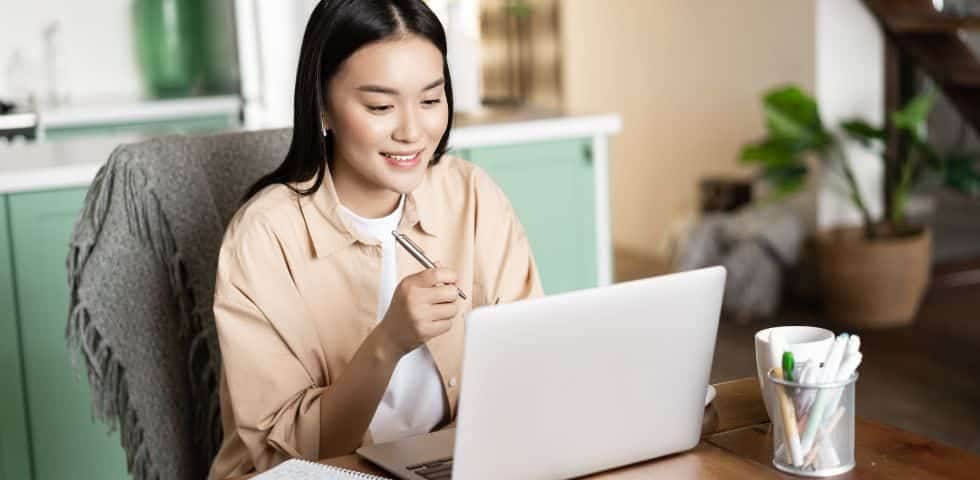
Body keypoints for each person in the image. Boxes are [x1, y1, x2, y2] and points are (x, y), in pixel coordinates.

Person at [208, 1, 542, 478]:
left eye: (431, 100)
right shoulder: (263, 238)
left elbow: (528, 363)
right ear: (322, 106)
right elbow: (284, 459)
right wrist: (388, 342)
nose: (412, 131)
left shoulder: (471, 195)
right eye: (381, 106)